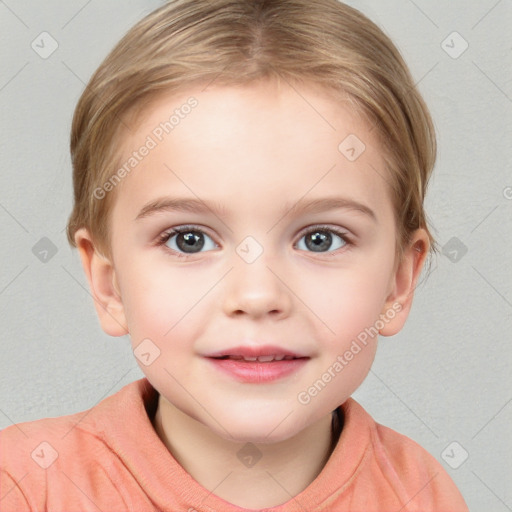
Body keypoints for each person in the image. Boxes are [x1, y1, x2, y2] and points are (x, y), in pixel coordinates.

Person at [0, 0, 469, 510]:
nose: (257, 295)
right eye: (189, 239)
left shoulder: (419, 492)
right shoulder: (27, 485)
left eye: (320, 239)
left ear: (399, 283)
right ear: (108, 284)